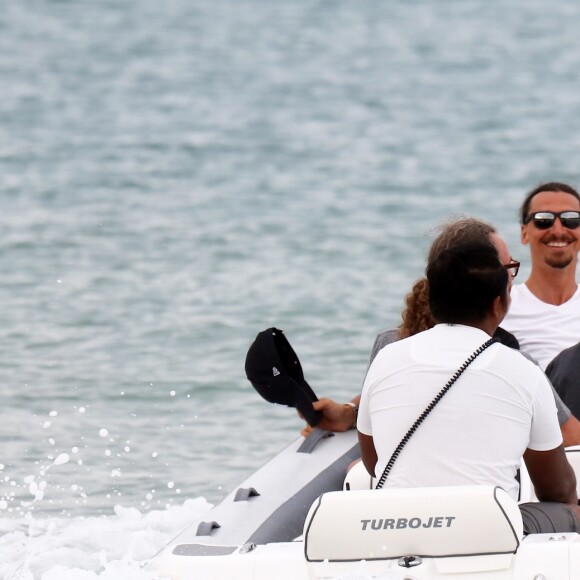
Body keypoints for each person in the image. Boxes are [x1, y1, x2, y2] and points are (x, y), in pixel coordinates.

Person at [358, 237, 580, 533]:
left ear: (433, 300)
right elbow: (556, 490)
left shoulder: (386, 359)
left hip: (398, 529)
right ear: (499, 303)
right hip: (486, 531)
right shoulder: (522, 370)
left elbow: (375, 464)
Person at [301, 217, 580, 447]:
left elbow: (379, 434)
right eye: (507, 268)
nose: (511, 278)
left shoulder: (390, 348)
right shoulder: (513, 360)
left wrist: (348, 413)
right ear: (489, 284)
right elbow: (568, 442)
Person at [501, 182, 580, 370]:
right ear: (524, 233)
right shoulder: (501, 307)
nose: (558, 231)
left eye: (571, 219)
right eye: (543, 220)